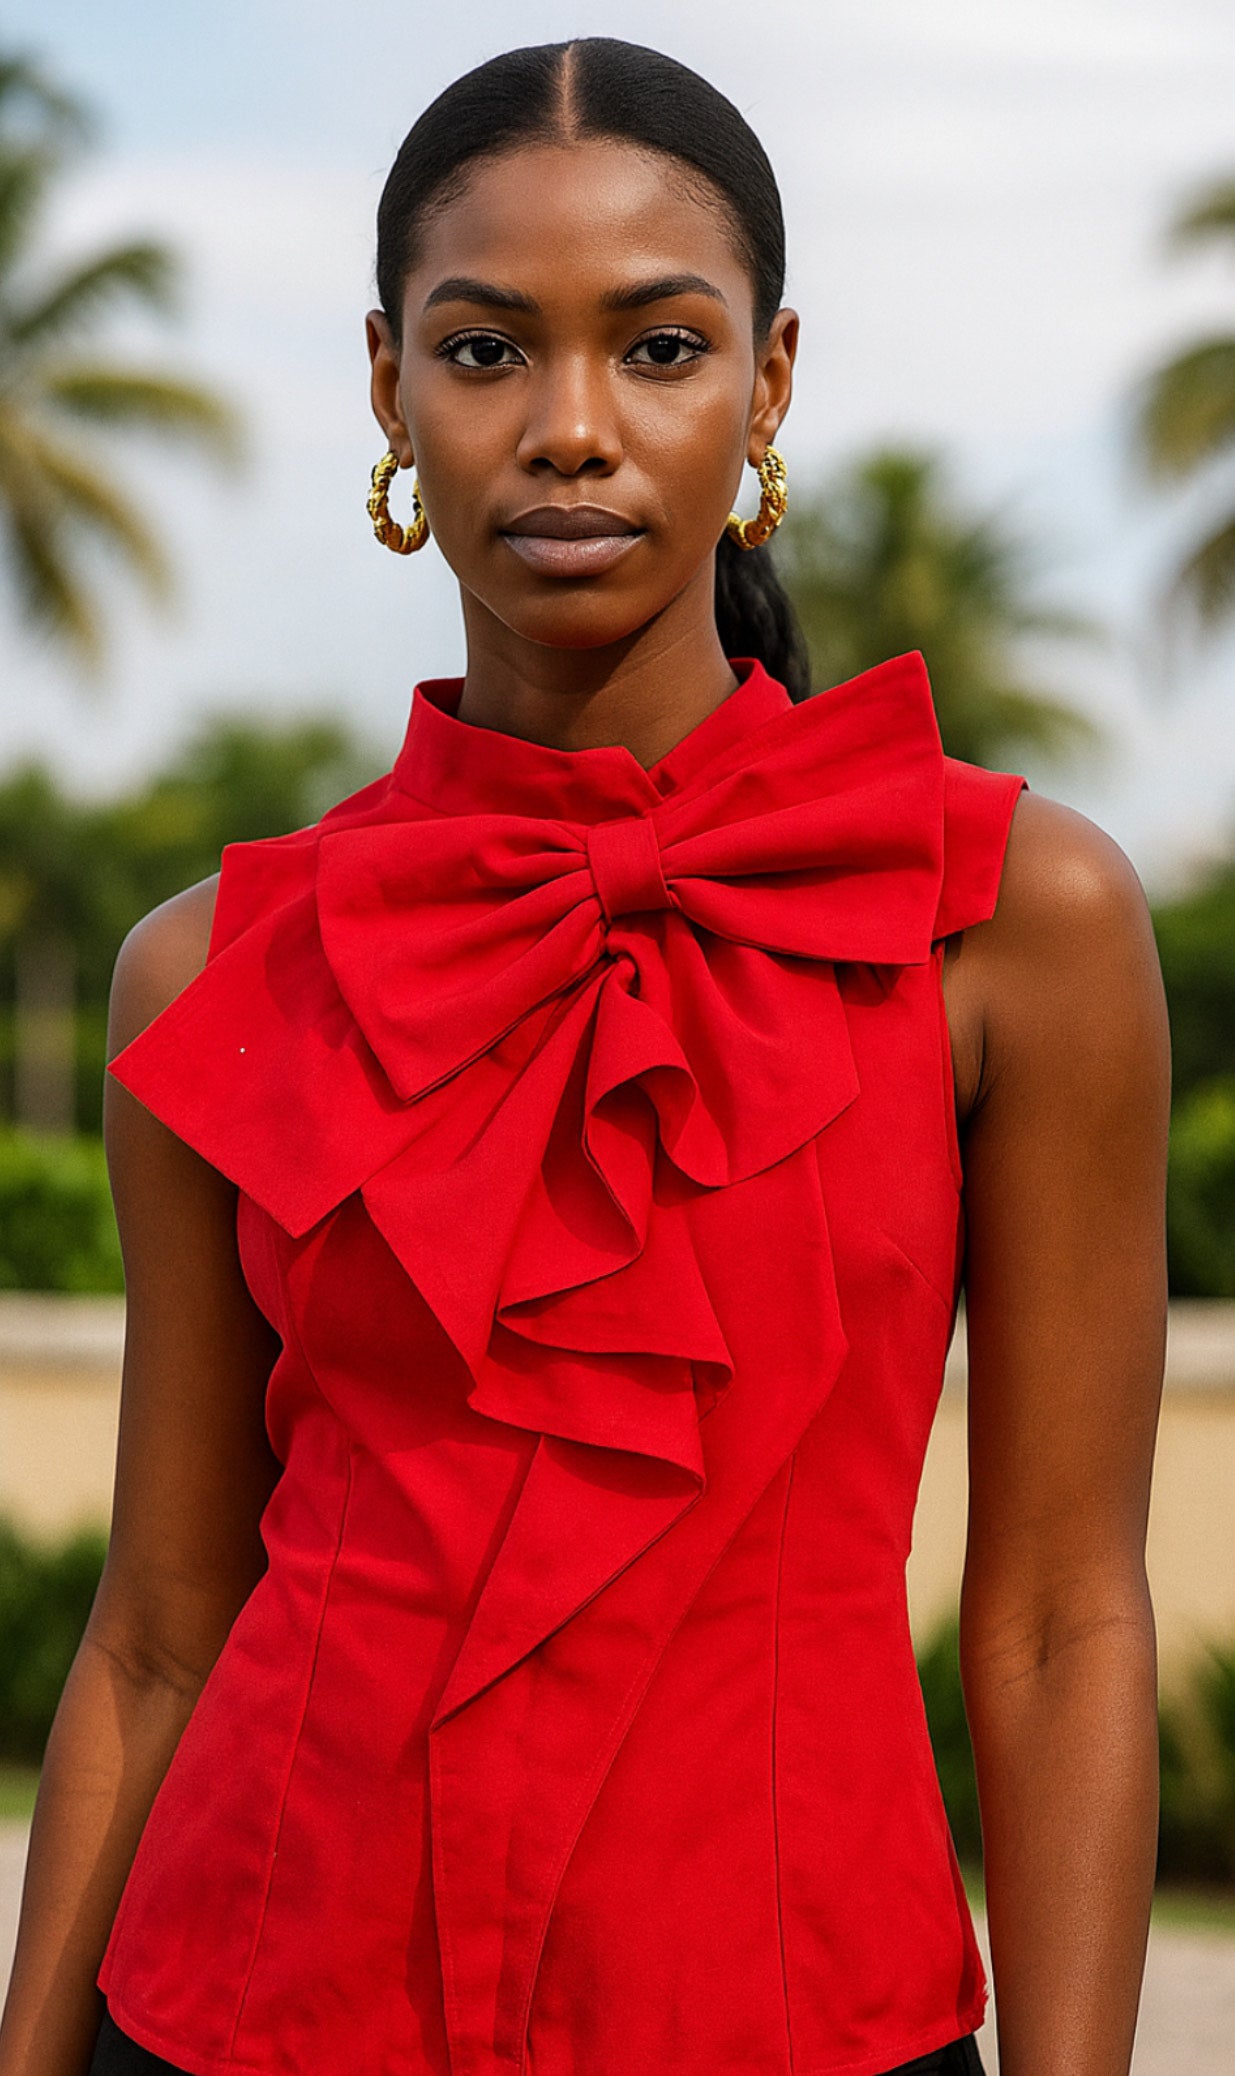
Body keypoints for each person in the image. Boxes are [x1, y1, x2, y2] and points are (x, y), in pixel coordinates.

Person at [0, 36, 1169, 2076]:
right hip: (248, 2015)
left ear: (770, 383)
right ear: (385, 388)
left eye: (656, 348)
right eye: (481, 353)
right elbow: (164, 1622)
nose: (567, 431)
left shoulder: (1019, 922)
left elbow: (1064, 1620)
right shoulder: (205, 969)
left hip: (801, 2017)